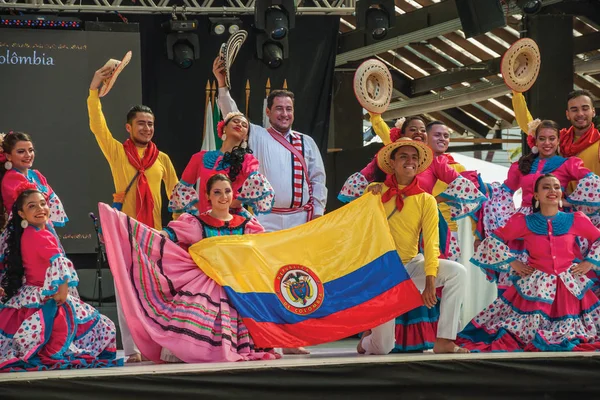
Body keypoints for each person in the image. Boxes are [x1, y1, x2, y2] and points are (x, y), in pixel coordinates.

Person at [99, 174, 279, 363]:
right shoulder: (197, 223)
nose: (223, 196)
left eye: (227, 191)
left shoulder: (246, 225)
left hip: (237, 281)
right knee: (198, 307)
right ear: (208, 196)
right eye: (217, 192)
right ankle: (198, 351)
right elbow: (164, 235)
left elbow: (262, 248)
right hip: (207, 281)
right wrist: (126, 228)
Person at [214, 57, 327, 354]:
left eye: (289, 109)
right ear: (267, 112)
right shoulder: (259, 135)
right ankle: (271, 338)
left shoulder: (307, 142)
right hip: (266, 220)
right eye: (279, 108)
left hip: (300, 222)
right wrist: (223, 85)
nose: (284, 113)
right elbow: (232, 116)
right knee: (269, 280)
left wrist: (316, 219)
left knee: (297, 279)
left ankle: (294, 338)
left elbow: (319, 182)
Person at [88, 64, 179, 363]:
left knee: (159, 294)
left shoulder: (162, 158)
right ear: (128, 127)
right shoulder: (116, 152)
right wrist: (94, 91)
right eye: (141, 123)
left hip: (154, 236)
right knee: (126, 293)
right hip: (124, 234)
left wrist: (178, 232)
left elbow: (176, 197)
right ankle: (133, 350)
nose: (146, 128)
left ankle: (163, 347)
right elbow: (97, 125)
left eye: (150, 124)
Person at [458, 174, 600, 352]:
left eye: (556, 187)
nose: (552, 191)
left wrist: (589, 262)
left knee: (579, 333)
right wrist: (513, 262)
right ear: (536, 195)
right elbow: (491, 241)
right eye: (546, 187)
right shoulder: (524, 222)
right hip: (535, 287)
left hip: (570, 286)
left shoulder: (576, 219)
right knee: (519, 334)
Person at [358, 138, 469, 355]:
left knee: (458, 273)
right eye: (403, 156)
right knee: (383, 348)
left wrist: (430, 281)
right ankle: (366, 341)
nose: (410, 161)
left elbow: (431, 242)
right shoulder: (374, 191)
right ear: (392, 162)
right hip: (383, 273)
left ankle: (445, 339)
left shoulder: (426, 199)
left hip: (411, 266)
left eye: (414, 158)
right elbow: (361, 229)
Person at [0, 184, 119, 371]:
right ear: (21, 214)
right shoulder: (39, 236)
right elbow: (58, 263)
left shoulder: (28, 233)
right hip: (47, 297)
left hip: (33, 294)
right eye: (32, 206)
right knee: (103, 326)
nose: (40, 209)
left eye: (42, 203)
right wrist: (63, 292)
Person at [476, 120, 600, 296]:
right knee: (519, 278)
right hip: (525, 223)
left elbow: (594, 183)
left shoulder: (567, 164)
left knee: (559, 274)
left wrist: (568, 202)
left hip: (557, 222)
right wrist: (480, 189)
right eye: (542, 138)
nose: (547, 143)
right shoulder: (521, 165)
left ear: (558, 141)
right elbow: (504, 192)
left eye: (551, 138)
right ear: (535, 140)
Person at [169, 111, 274, 216]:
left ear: (245, 137)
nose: (239, 125)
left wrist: (234, 203)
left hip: (233, 220)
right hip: (205, 219)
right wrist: (201, 206)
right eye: (235, 121)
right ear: (224, 128)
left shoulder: (247, 160)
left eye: (244, 125)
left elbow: (258, 184)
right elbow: (183, 188)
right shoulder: (200, 157)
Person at [513, 89, 599, 181]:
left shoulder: (598, 144)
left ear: (593, 112)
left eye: (585, 109)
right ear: (567, 114)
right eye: (574, 110)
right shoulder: (557, 138)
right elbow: (528, 125)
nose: (580, 114)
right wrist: (516, 92)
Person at [0, 131, 68, 228]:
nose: (28, 155)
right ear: (8, 156)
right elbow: (31, 207)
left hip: (42, 226)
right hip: (25, 231)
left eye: (31, 150)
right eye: (21, 151)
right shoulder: (12, 178)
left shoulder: (36, 175)